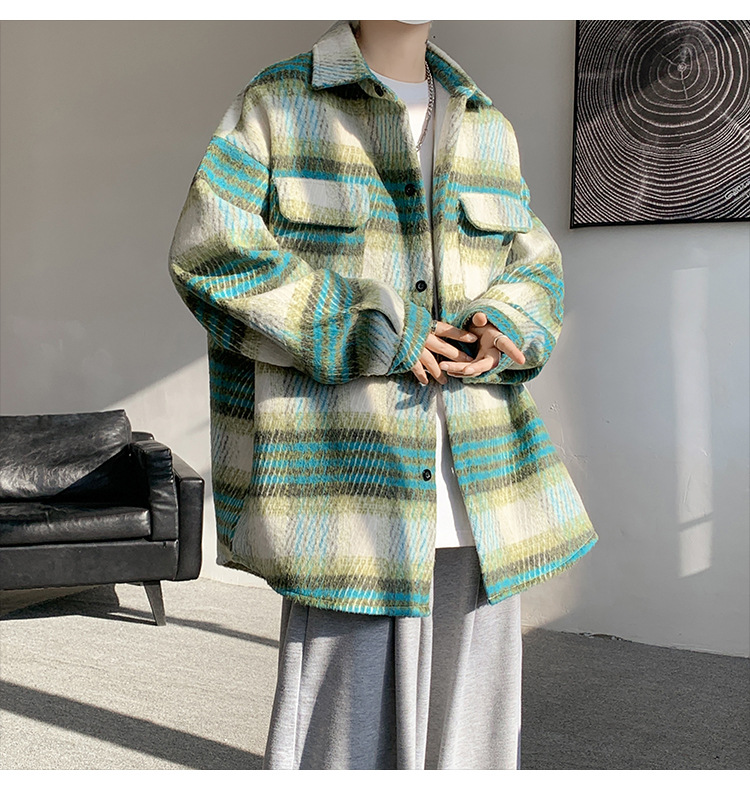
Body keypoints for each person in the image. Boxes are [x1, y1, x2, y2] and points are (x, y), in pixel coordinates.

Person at [168, 19, 598, 770]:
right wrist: (372, 329)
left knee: (473, 752)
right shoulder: (278, 104)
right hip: (344, 495)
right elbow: (210, 253)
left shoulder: (485, 123)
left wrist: (505, 320)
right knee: (339, 752)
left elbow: (537, 265)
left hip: (481, 497)